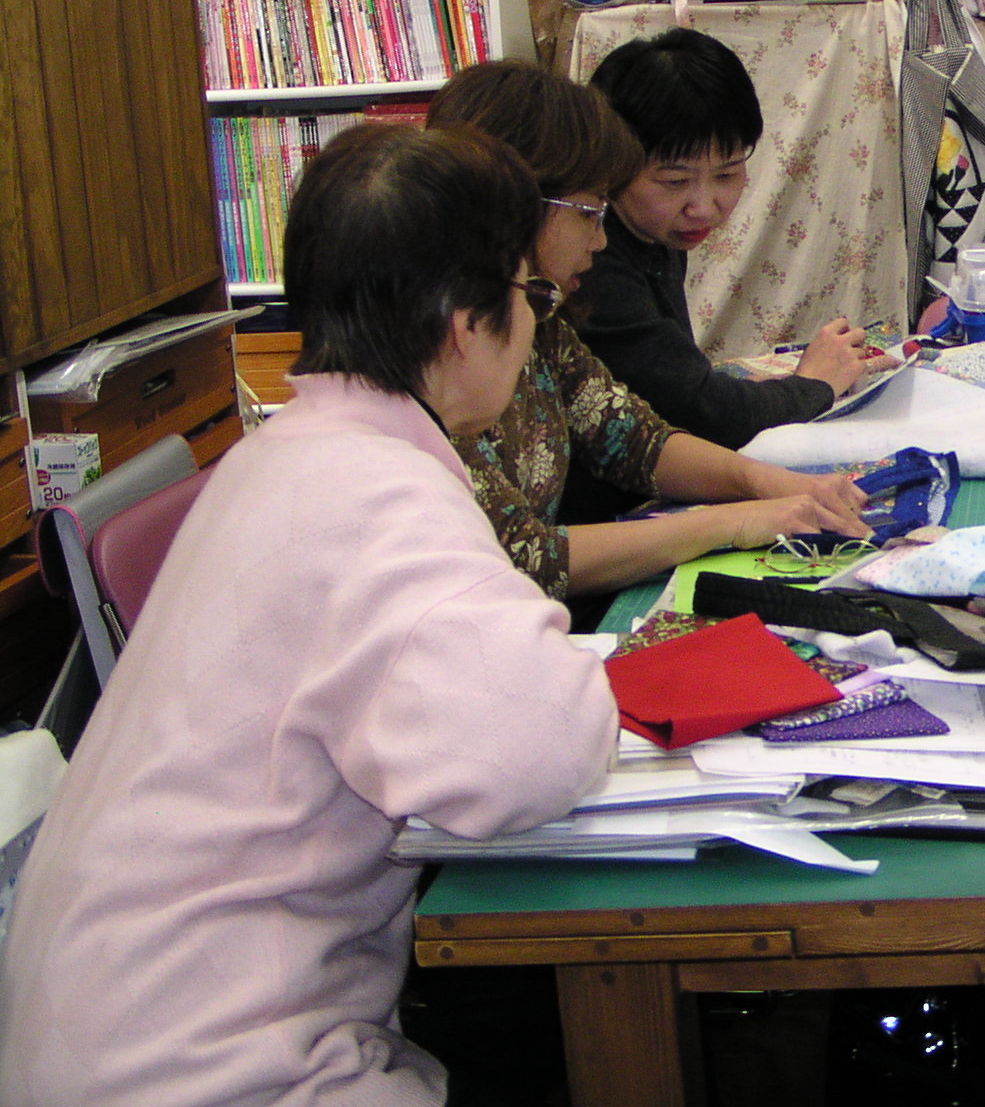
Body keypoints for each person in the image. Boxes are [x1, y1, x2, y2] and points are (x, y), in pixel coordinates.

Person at [0, 123, 620, 1106]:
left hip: (101, 1030)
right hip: (208, 1072)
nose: (533, 324)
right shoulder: (378, 494)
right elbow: (535, 755)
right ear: (464, 325)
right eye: (527, 296)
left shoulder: (280, 456)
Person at [425, 62, 869, 607]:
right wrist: (735, 521)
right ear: (518, 208)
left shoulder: (539, 317)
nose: (600, 241)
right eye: (589, 214)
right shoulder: (438, 361)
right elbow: (523, 558)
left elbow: (633, 438)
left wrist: (767, 483)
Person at [580, 27, 870, 450]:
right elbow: (700, 413)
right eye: (675, 181)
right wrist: (813, 385)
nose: (704, 207)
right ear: (611, 163)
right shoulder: (590, 258)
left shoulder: (657, 230)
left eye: (727, 174)